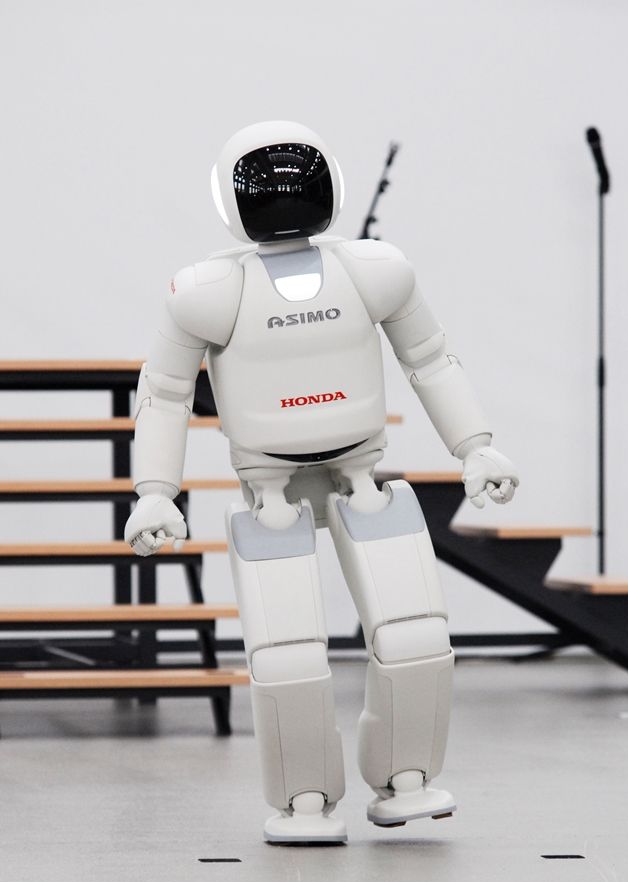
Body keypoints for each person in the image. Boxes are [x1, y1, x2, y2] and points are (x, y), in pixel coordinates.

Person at [125, 121, 519, 844]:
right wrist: (155, 489)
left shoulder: (372, 272)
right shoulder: (210, 292)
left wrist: (477, 446)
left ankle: (406, 778)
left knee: (415, 636)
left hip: (361, 474)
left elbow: (430, 359)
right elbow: (165, 394)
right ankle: (303, 797)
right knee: (287, 656)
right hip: (269, 491)